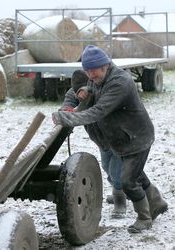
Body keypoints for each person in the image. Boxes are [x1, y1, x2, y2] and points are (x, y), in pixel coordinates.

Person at [52, 45, 168, 233]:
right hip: (117, 137)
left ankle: (144, 217)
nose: (90, 75)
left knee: (128, 180)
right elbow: (72, 94)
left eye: (94, 70)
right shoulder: (93, 77)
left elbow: (98, 111)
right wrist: (67, 107)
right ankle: (157, 202)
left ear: (105, 65)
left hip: (136, 137)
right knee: (135, 173)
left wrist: (68, 118)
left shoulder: (120, 82)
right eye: (87, 70)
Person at [60, 69, 126, 219]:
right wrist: (67, 112)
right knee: (107, 166)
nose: (81, 93)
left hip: (118, 135)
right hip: (100, 138)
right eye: (78, 91)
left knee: (117, 170)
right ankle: (126, 188)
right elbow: (67, 105)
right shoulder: (74, 92)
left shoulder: (105, 89)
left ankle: (120, 198)